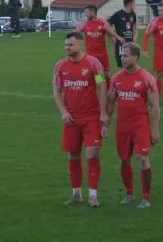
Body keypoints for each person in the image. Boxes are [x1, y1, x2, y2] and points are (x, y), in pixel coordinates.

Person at [53, 32, 108, 208]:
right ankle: (76, 193)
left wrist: (103, 113)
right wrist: (63, 112)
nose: (67, 48)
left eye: (71, 45)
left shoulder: (93, 64)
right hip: (71, 119)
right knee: (73, 154)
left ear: (80, 45)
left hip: (91, 116)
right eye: (66, 45)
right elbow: (56, 90)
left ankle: (93, 195)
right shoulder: (61, 66)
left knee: (92, 153)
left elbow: (101, 86)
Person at [105, 42, 160, 209]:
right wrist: (105, 122)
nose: (122, 58)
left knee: (143, 159)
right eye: (121, 55)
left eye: (126, 55)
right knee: (124, 160)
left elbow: (155, 106)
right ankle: (129, 193)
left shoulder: (147, 78)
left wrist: (155, 129)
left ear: (135, 57)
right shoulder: (116, 78)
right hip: (122, 125)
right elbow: (110, 102)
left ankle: (146, 197)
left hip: (140, 124)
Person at [75, 4, 123, 88]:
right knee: (92, 73)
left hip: (102, 54)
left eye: (87, 12)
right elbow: (74, 34)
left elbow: (111, 36)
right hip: (90, 54)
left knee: (106, 74)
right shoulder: (85, 24)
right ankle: (97, 89)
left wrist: (114, 48)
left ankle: (108, 91)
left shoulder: (103, 23)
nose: (85, 14)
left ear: (93, 12)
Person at [108, 0, 138, 68]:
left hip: (130, 44)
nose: (135, 5)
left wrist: (135, 38)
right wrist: (118, 37)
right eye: (134, 3)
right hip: (121, 45)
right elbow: (106, 27)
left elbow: (135, 28)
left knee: (132, 65)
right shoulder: (117, 15)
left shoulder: (133, 14)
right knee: (123, 66)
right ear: (130, 4)